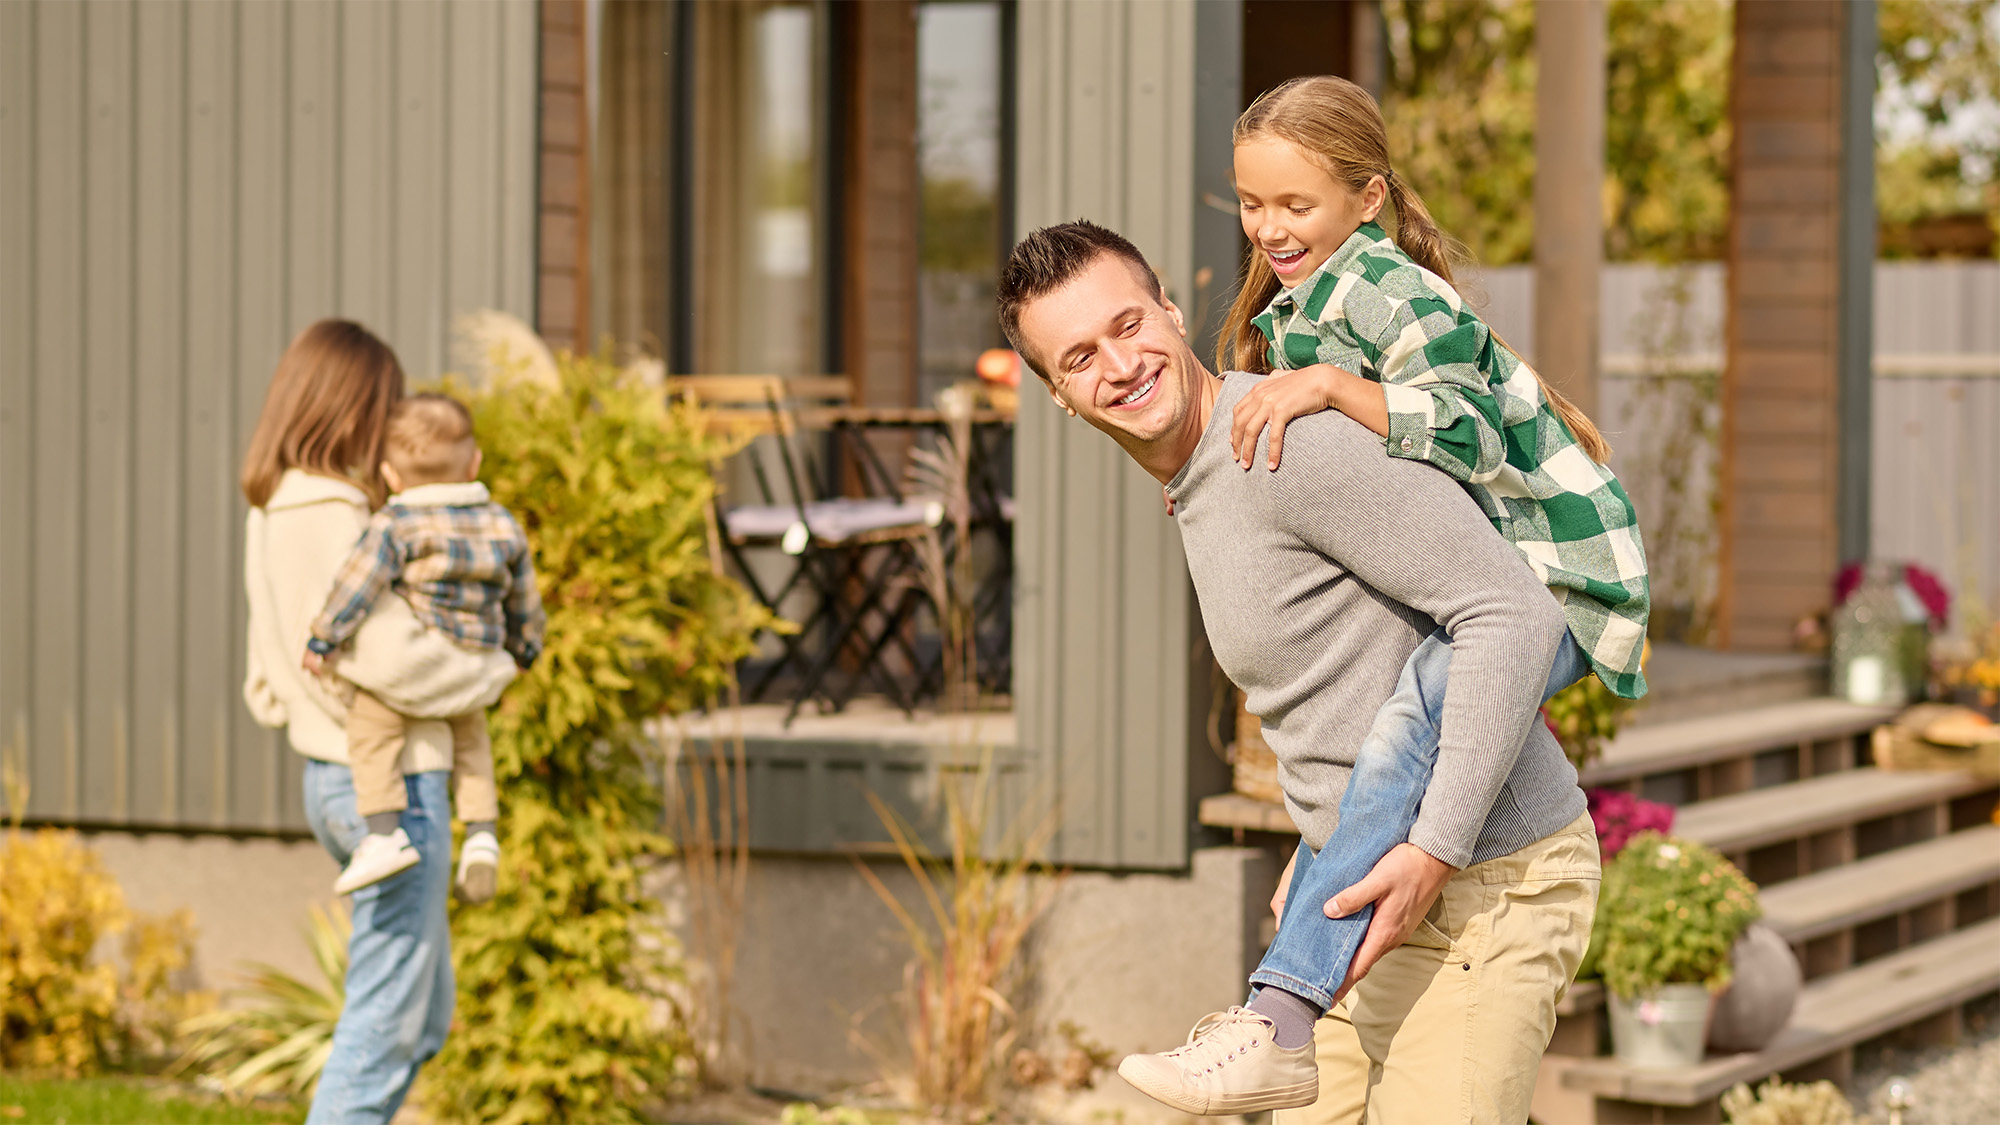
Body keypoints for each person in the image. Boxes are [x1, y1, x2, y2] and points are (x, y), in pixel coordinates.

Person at [1118, 75, 1654, 1116]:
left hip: (1562, 566)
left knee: (1412, 721)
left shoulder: (1391, 294)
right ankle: (1278, 1009)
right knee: (1397, 721)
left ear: (1366, 198)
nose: (1267, 227)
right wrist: (1327, 845)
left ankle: (1273, 1018)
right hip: (1504, 574)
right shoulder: (1299, 307)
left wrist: (1325, 389)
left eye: (1293, 205)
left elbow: (1469, 432)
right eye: (1249, 203)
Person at [998, 223, 1603, 1121]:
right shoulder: (1205, 477)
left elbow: (1512, 610)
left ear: (1168, 304)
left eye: (1128, 325)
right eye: (1081, 356)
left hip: (1482, 887)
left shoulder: (1286, 443)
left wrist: (1432, 852)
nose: (1119, 365)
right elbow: (1349, 675)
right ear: (1058, 392)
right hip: (1355, 911)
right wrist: (1322, 837)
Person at [241, 319, 515, 1124]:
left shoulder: (274, 506)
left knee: (421, 1017)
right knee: (385, 1019)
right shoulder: (332, 514)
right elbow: (389, 658)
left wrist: (309, 711)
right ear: (351, 406)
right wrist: (493, 669)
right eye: (383, 405)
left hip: (336, 776)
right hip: (396, 793)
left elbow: (268, 670)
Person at [302, 392, 545, 899]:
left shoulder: (396, 524)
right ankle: (481, 834)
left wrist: (324, 639)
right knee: (473, 746)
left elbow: (357, 586)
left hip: (422, 660)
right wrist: (525, 651)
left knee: (372, 730)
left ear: (389, 475)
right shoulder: (503, 524)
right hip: (476, 662)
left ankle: (383, 834)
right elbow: (525, 600)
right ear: (475, 462)